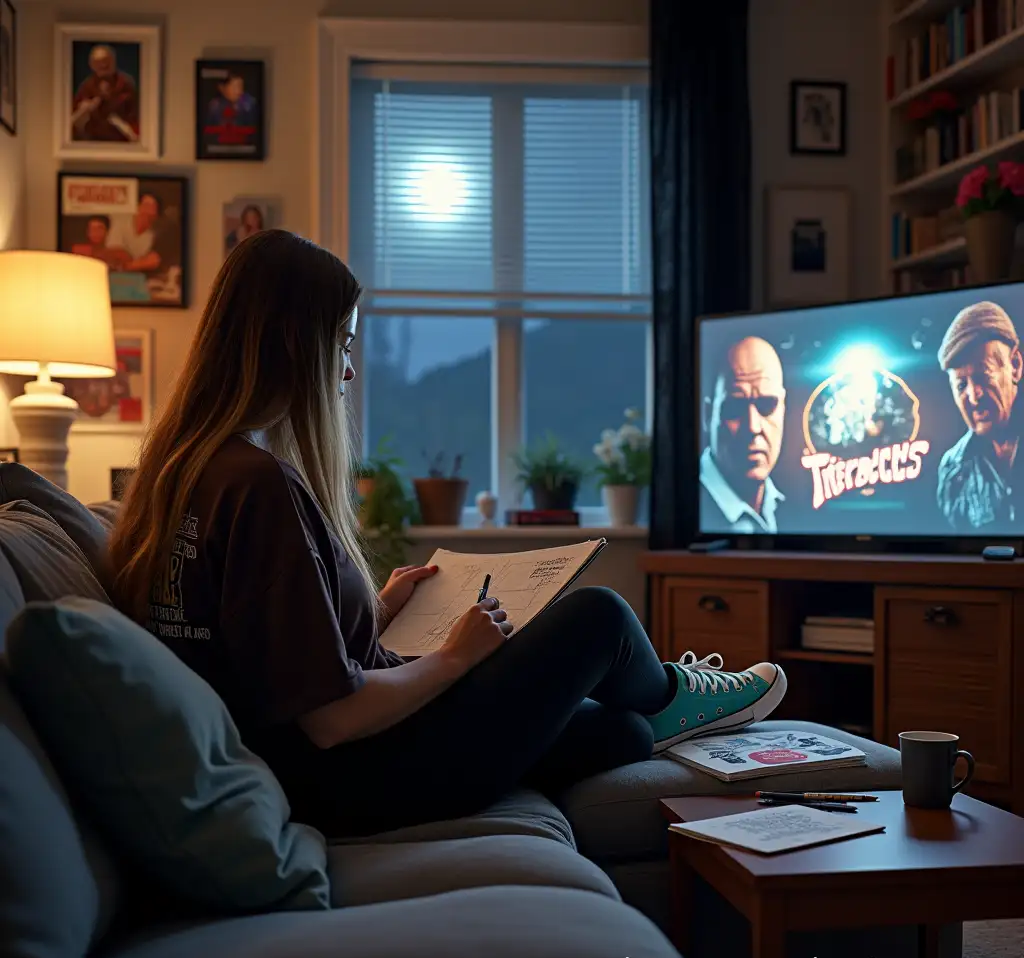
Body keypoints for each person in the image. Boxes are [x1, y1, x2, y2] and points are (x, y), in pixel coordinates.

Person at [105, 230, 787, 838]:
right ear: (294, 344)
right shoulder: (257, 483)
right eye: (340, 346)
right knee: (598, 617)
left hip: (319, 770)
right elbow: (331, 717)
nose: (345, 371)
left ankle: (659, 710)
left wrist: (375, 612)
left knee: (622, 732)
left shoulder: (182, 473)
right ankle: (679, 693)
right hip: (352, 780)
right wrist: (454, 657)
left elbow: (262, 652)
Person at [936, 300, 1023, 531]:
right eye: (961, 385)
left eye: (983, 376)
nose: (974, 397)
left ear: (1014, 365)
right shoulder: (952, 468)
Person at [700, 335, 787, 534]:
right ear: (707, 415)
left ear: (783, 408)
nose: (753, 427)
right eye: (734, 407)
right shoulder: (682, 505)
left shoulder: (792, 508)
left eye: (767, 405)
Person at [71, 44, 139, 143]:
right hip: (92, 140)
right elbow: (72, 122)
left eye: (106, 60)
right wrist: (83, 111)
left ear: (113, 61)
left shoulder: (125, 83)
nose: (103, 65)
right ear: (92, 65)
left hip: (122, 140)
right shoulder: (87, 86)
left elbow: (136, 116)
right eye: (98, 62)